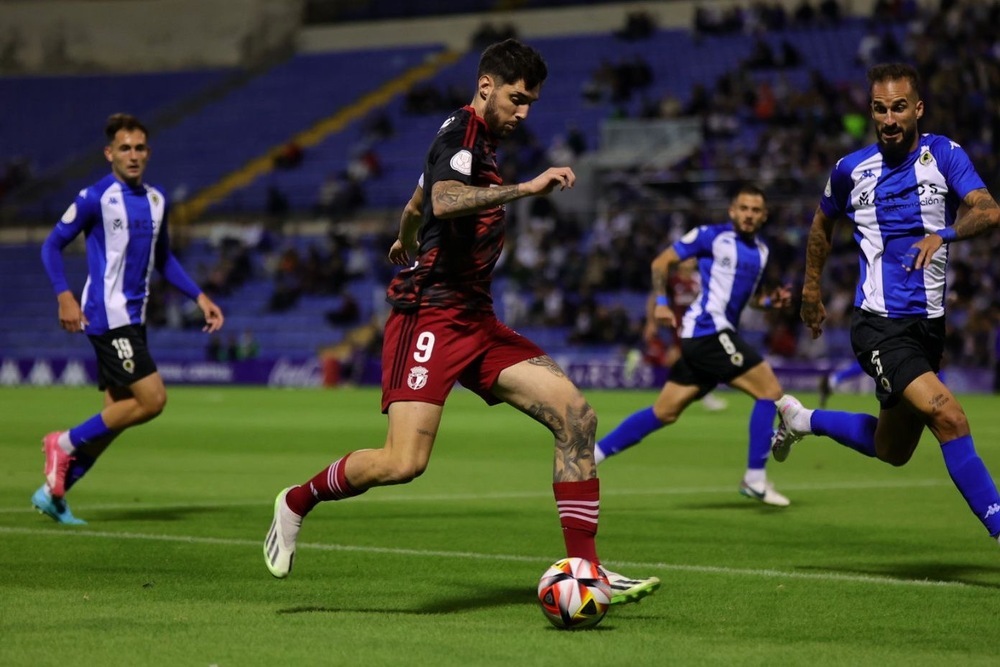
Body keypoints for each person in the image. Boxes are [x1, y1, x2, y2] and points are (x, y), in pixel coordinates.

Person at [263, 39, 660, 604]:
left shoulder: (474, 141)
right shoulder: (461, 135)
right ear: (486, 87)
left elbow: (417, 204)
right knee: (404, 463)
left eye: (531, 104)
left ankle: (585, 569)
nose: (524, 113)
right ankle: (296, 501)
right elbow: (446, 202)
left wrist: (403, 240)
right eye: (517, 99)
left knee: (577, 417)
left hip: (476, 318)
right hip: (430, 316)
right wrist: (528, 187)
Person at [771, 63, 1000, 544]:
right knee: (949, 416)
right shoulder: (851, 170)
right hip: (879, 325)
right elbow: (821, 224)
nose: (889, 118)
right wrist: (811, 291)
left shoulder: (944, 155)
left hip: (928, 329)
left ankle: (801, 418)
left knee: (892, 449)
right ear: (871, 111)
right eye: (880, 108)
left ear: (917, 109)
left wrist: (946, 232)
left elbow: (988, 209)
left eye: (899, 107)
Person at [36, 113, 224, 524]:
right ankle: (62, 443)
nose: (133, 155)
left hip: (134, 319)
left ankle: (55, 492)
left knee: (115, 417)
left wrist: (200, 295)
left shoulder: (157, 201)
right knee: (153, 400)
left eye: (139, 148)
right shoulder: (94, 198)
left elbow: (165, 259)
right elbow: (51, 246)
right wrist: (64, 296)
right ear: (109, 154)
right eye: (125, 148)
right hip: (107, 315)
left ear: (148, 153)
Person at [595, 184, 793, 507]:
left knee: (665, 411)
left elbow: (748, 299)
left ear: (764, 216)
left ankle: (591, 456)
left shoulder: (762, 252)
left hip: (714, 334)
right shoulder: (711, 236)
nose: (749, 215)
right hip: (706, 330)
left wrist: (769, 301)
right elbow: (661, 262)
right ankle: (755, 478)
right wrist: (660, 302)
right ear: (732, 210)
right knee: (769, 392)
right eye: (743, 208)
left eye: (756, 210)